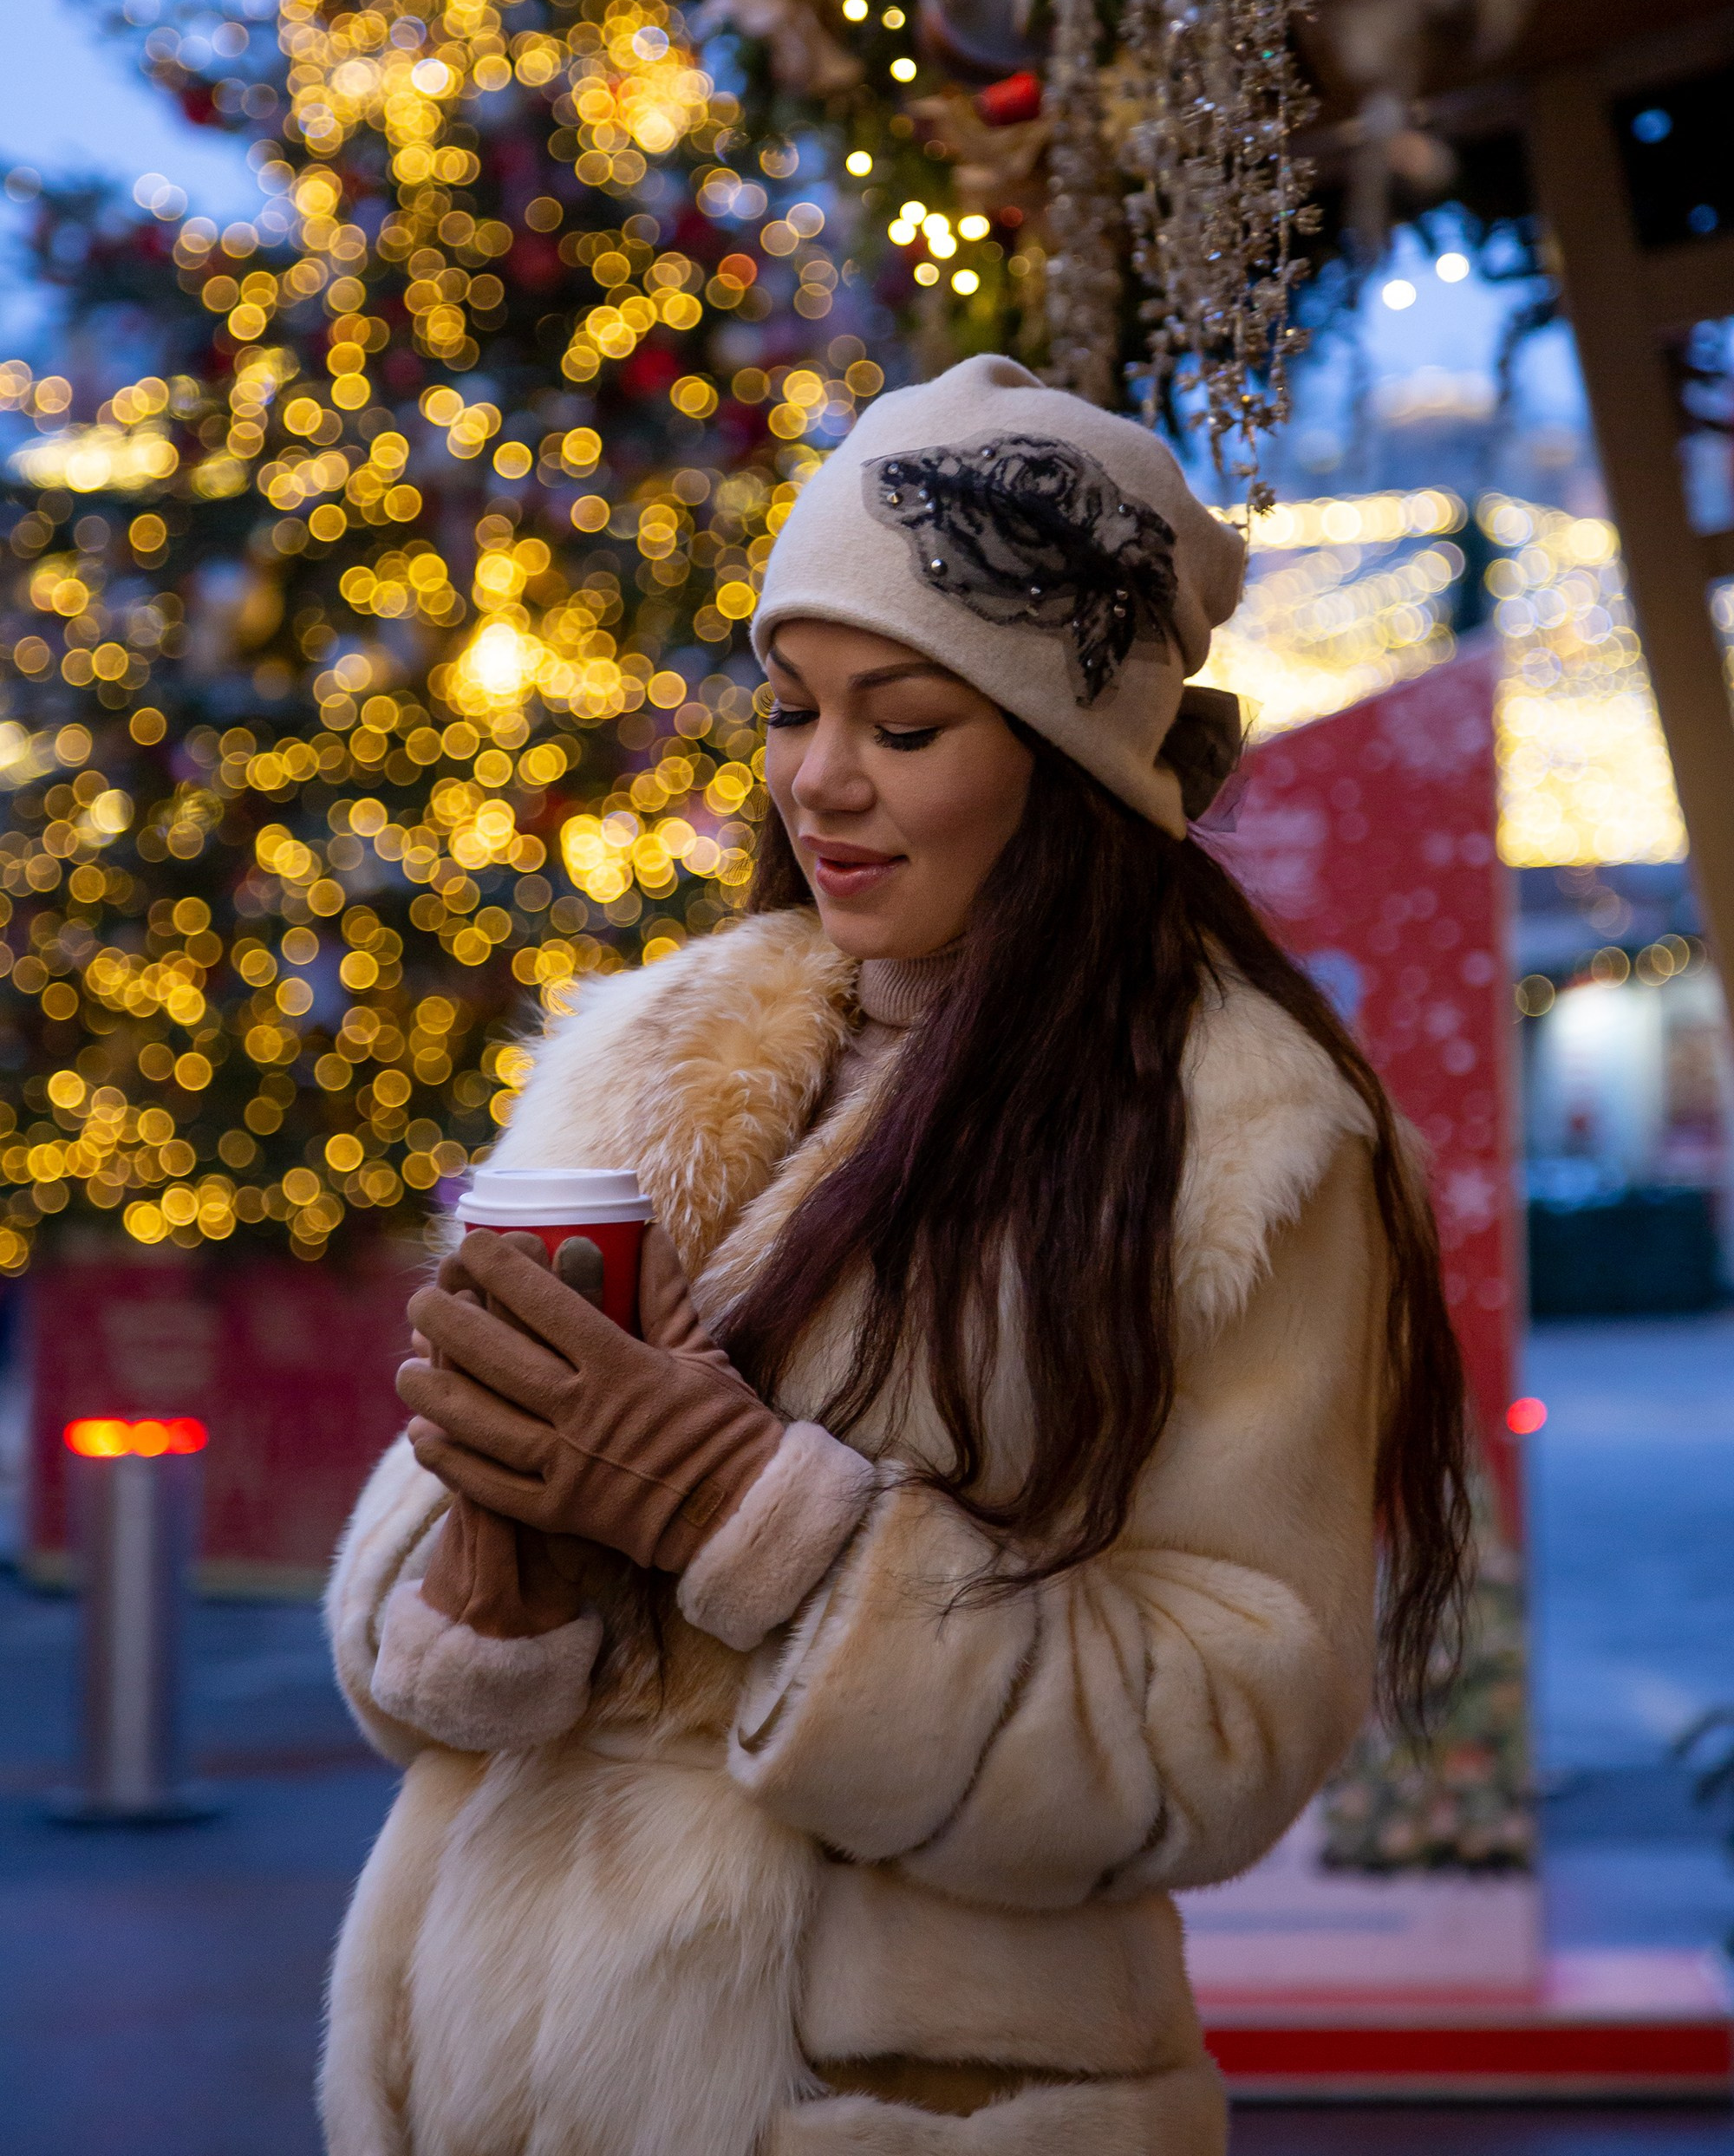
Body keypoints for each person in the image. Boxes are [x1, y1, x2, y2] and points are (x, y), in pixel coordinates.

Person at [321, 353, 1468, 2156]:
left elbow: (1224, 1732)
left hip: (896, 2107)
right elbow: (410, 1672)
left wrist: (752, 1525)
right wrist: (486, 1552)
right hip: (488, 2095)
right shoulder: (646, 1042)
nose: (818, 785)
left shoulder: (1238, 1140)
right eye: (788, 710)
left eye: (905, 725)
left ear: (1070, 758)